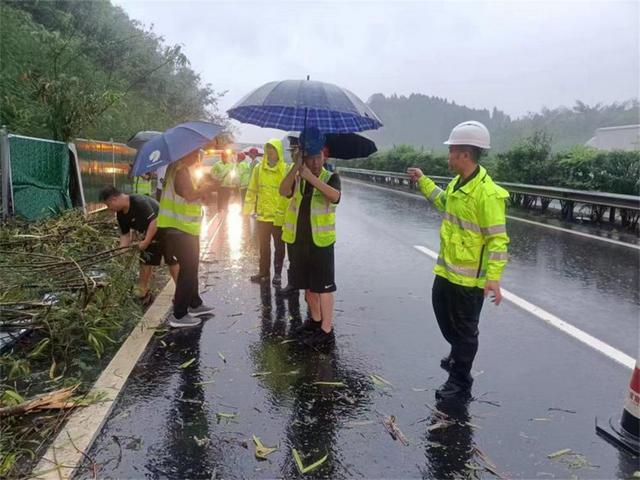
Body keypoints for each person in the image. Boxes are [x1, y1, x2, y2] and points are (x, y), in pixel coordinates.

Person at [407, 121, 509, 400]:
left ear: (465, 154)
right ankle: (458, 352)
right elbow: (443, 201)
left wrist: (494, 278)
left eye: (452, 151)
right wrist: (422, 180)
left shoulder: (487, 194)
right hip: (447, 270)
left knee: (465, 332)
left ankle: (460, 381)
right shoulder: (458, 183)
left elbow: (498, 239)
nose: (448, 156)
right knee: (441, 312)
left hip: (469, 279)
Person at [280, 127, 341, 348]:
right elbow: (283, 190)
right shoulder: (298, 176)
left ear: (324, 155)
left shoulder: (330, 177)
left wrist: (311, 178)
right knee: (307, 287)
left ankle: (327, 330)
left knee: (323, 288)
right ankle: (315, 322)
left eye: (318, 157)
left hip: (321, 243)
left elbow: (334, 197)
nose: (315, 162)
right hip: (298, 241)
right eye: (310, 157)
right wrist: (296, 167)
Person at [158, 150, 217, 328]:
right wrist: (210, 187)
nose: (198, 155)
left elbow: (189, 196)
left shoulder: (179, 169)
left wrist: (202, 192)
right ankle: (179, 314)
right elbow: (189, 195)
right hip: (179, 228)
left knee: (191, 267)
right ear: (187, 152)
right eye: (196, 152)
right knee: (188, 271)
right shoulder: (180, 170)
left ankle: (195, 303)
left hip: (183, 228)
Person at [99, 186, 178, 299]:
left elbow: (154, 222)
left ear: (114, 199)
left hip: (166, 230)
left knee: (171, 261)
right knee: (145, 262)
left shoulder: (139, 202)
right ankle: (142, 291)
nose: (109, 208)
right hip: (150, 234)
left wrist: (146, 241)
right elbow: (125, 235)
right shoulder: (121, 214)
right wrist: (122, 252)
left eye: (108, 205)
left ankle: (181, 291)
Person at [243, 139, 288, 285]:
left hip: (279, 217)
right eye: (268, 149)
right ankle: (263, 272)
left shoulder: (285, 169)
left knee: (280, 248)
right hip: (263, 216)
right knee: (263, 247)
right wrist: (247, 210)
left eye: (273, 149)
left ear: (278, 152)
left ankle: (278, 274)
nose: (270, 152)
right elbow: (252, 189)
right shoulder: (258, 169)